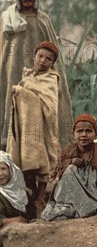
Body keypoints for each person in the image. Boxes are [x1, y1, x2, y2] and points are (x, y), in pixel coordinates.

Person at [1, 0, 73, 152]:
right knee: (13, 105)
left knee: (41, 109)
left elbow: (53, 48)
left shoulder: (43, 20)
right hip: (13, 73)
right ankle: (10, 148)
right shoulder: (8, 20)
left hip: (41, 73)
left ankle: (43, 151)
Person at [8, 41, 61, 218]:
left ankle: (41, 196)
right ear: (34, 56)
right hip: (26, 125)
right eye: (40, 56)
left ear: (52, 63)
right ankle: (29, 197)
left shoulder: (51, 79)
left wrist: (22, 91)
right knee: (27, 159)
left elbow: (50, 105)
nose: (43, 61)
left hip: (42, 127)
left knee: (44, 157)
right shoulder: (28, 76)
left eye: (48, 59)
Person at [41, 114, 97, 221]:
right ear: (73, 134)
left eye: (88, 131)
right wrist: (70, 162)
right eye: (79, 131)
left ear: (96, 134)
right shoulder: (67, 151)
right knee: (70, 170)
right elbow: (57, 173)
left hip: (93, 194)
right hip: (70, 194)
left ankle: (86, 207)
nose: (84, 135)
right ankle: (69, 206)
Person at [0, 151, 28, 227]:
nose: (0, 174)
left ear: (11, 169)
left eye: (3, 168)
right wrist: (12, 220)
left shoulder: (19, 188)